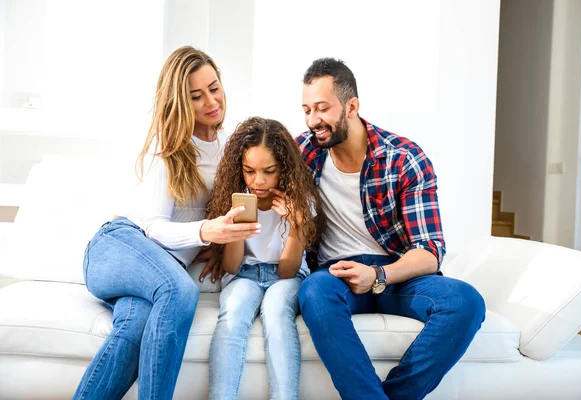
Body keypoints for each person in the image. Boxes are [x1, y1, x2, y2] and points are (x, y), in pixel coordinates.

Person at [73, 46, 260, 400]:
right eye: (196, 95)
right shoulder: (169, 147)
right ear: (178, 101)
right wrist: (206, 231)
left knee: (134, 328)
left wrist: (218, 244)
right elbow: (153, 228)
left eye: (214, 87)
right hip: (118, 246)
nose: (211, 101)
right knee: (179, 290)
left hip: (160, 271)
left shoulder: (229, 148)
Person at [296, 58, 486, 400]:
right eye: (307, 110)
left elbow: (429, 251)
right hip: (335, 274)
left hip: (396, 274)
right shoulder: (303, 154)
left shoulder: (403, 158)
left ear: (352, 106)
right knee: (314, 292)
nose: (313, 121)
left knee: (465, 302)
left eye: (322, 109)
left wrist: (378, 275)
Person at [207, 116, 322, 400]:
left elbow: (287, 272)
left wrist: (295, 227)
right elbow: (232, 266)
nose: (258, 181)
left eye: (268, 171)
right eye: (249, 171)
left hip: (287, 276)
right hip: (243, 274)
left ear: (283, 169)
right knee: (232, 314)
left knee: (275, 312)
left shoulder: (301, 201)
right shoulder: (236, 199)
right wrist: (235, 229)